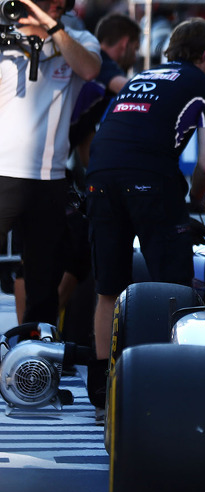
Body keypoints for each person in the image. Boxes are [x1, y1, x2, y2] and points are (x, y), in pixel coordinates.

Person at [85, 18, 205, 420]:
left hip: (99, 176)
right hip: (149, 180)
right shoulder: (203, 85)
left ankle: (101, 389)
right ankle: (170, 382)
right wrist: (198, 197)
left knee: (108, 287)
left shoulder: (139, 77)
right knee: (174, 285)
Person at [0, 0, 101, 327]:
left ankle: (31, 359)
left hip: (49, 178)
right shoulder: (5, 33)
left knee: (43, 279)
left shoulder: (77, 39)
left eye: (63, 2)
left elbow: (89, 69)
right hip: (3, 171)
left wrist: (50, 26)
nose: (55, 5)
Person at [71, 12, 141, 170]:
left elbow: (86, 146)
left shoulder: (95, 86)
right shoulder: (102, 61)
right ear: (125, 43)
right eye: (135, 49)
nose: (135, 57)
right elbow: (133, 92)